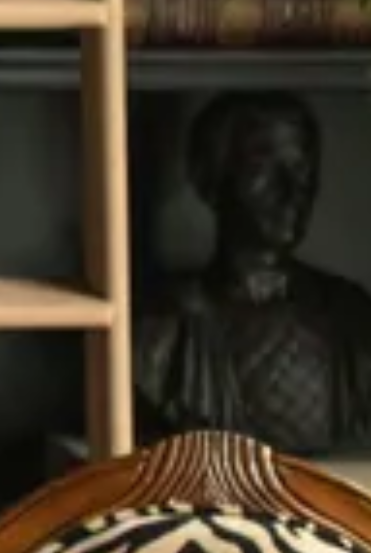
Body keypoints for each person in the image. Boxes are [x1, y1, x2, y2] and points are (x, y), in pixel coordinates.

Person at [135, 92, 371, 457]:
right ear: (210, 181)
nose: (294, 189)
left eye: (304, 167)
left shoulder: (350, 316)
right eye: (264, 166)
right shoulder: (166, 326)